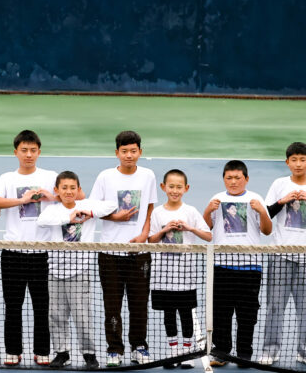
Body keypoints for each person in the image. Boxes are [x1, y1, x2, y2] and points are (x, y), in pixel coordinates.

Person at [0, 130, 59, 366]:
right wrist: (22, 200)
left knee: (42, 306)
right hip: (13, 253)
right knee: (13, 306)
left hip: (42, 254)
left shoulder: (50, 176)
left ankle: (42, 350)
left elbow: (76, 195)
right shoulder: (7, 178)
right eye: (24, 150)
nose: (29, 155)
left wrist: (52, 196)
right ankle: (13, 350)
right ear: (15, 151)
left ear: (39, 151)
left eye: (33, 150)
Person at [258, 141, 306, 368]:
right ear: (287, 162)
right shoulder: (279, 184)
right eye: (294, 160)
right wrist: (283, 201)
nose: (298, 164)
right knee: (275, 306)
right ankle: (270, 351)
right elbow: (266, 213)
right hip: (280, 256)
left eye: (303, 160)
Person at [89, 131, 158, 366]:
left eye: (134, 150)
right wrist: (115, 217)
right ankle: (114, 350)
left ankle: (139, 346)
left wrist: (144, 234)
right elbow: (94, 209)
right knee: (112, 305)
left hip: (139, 254)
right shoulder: (105, 177)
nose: (129, 155)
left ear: (140, 152)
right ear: (116, 153)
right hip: (110, 254)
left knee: (139, 304)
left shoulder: (147, 176)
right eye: (124, 151)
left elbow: (149, 208)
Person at [37, 171, 116, 370]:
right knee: (56, 315)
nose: (69, 192)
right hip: (55, 272)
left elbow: (111, 205)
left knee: (82, 315)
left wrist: (89, 213)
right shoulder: (52, 210)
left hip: (79, 272)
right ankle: (62, 353)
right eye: (64, 188)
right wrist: (68, 216)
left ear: (79, 189)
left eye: (73, 188)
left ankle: (89, 354)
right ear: (57, 190)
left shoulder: (87, 204)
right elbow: (42, 221)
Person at [202, 160, 272, 366]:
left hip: (250, 266)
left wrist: (262, 211)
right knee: (221, 312)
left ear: (246, 179)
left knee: (247, 314)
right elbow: (207, 229)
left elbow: (267, 230)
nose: (233, 182)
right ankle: (222, 352)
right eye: (229, 178)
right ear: (224, 179)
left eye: (237, 178)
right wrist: (207, 210)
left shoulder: (255, 198)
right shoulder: (216, 199)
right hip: (222, 265)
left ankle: (244, 354)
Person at [148, 169, 211, 370]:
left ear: (186, 188)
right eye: (171, 186)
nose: (175, 190)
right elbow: (151, 240)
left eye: (179, 187)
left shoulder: (191, 212)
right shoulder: (158, 213)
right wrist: (165, 230)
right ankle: (173, 352)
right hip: (162, 276)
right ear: (163, 187)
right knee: (168, 314)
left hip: (186, 275)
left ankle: (187, 352)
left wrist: (189, 228)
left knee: (185, 313)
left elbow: (208, 236)